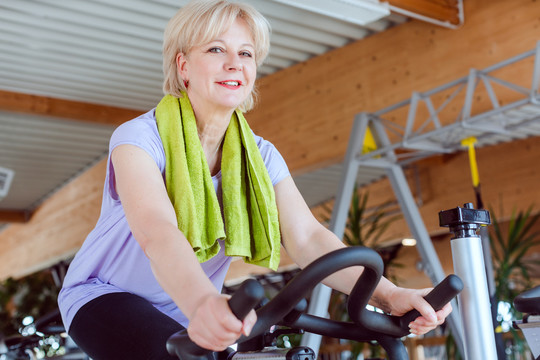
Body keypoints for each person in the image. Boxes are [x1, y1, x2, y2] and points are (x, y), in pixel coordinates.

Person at [58, 1, 452, 359]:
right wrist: (200, 304)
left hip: (193, 308)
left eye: (245, 53)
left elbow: (308, 238)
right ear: (183, 67)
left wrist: (388, 295)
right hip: (103, 295)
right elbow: (158, 232)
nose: (235, 63)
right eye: (216, 49)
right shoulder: (139, 138)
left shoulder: (260, 156)